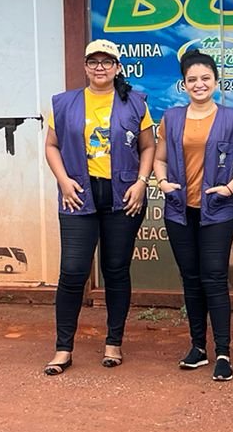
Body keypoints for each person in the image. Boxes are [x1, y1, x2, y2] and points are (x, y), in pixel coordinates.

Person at [42, 39, 154, 375]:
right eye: (94, 61)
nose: (100, 67)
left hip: (123, 196)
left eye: (107, 61)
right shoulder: (64, 103)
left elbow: (149, 146)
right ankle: (63, 348)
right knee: (73, 271)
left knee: (116, 269)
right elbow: (51, 145)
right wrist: (63, 180)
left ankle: (113, 343)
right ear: (85, 66)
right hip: (78, 194)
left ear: (118, 67)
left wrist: (141, 182)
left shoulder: (135, 103)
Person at [153, 51, 233, 382]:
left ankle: (223, 352)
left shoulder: (232, 118)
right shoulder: (171, 118)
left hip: (218, 211)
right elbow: (159, 159)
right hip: (180, 210)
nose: (199, 84)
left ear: (215, 81)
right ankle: (198, 347)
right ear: (183, 84)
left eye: (205, 78)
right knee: (191, 278)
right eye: (192, 79)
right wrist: (162, 181)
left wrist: (230, 188)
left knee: (214, 278)